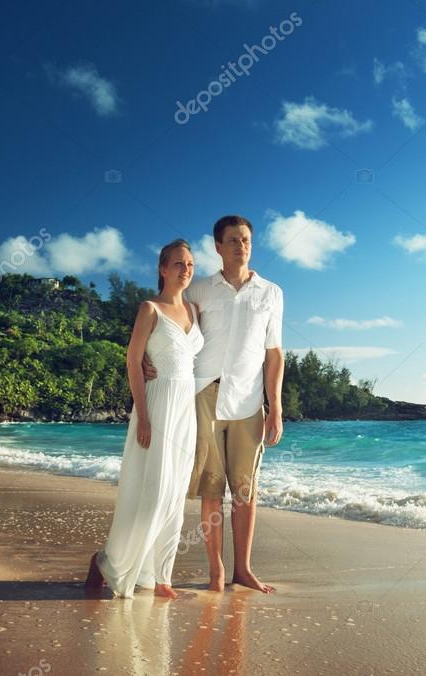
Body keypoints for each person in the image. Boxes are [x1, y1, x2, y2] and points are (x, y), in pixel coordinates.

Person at [142, 214, 284, 593]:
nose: (242, 246)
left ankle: (244, 569)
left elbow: (275, 355)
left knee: (244, 490)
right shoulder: (199, 289)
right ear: (218, 247)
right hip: (203, 394)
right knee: (210, 488)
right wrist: (144, 355)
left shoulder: (271, 292)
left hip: (250, 400)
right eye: (233, 241)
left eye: (246, 240)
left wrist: (277, 408)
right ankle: (217, 571)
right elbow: (166, 317)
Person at [85, 239, 205, 599]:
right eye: (179, 264)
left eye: (191, 264)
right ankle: (107, 563)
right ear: (163, 269)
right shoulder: (149, 309)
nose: (186, 270)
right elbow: (133, 360)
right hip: (156, 404)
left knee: (174, 496)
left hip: (186, 410)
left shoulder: (197, 310)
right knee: (150, 493)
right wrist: (144, 417)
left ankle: (160, 576)